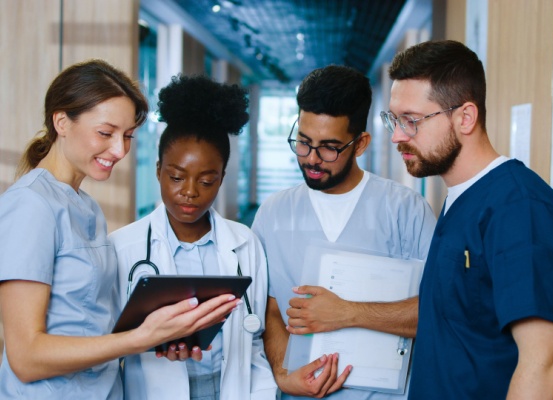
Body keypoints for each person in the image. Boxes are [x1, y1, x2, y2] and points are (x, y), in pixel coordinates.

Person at [0, 60, 240, 399]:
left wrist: (164, 335)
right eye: (105, 133)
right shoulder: (31, 205)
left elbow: (89, 323)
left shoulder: (86, 207)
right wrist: (140, 337)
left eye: (127, 136)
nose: (119, 150)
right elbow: (25, 357)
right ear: (61, 122)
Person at [382, 40, 553, 399]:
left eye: (411, 121)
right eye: (393, 119)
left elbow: (545, 362)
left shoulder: (520, 208)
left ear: (465, 118)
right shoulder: (459, 198)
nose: (397, 136)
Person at [251, 65, 437, 400]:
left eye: (329, 147)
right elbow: (270, 310)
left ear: (361, 143)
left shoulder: (405, 211)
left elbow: (440, 310)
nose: (311, 158)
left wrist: (349, 312)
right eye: (304, 142)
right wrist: (282, 374)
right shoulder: (274, 214)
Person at [109, 74, 277, 400]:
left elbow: (254, 338)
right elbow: (109, 347)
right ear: (158, 170)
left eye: (206, 181)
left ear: (222, 178)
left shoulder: (245, 242)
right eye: (176, 176)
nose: (189, 192)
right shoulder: (122, 248)